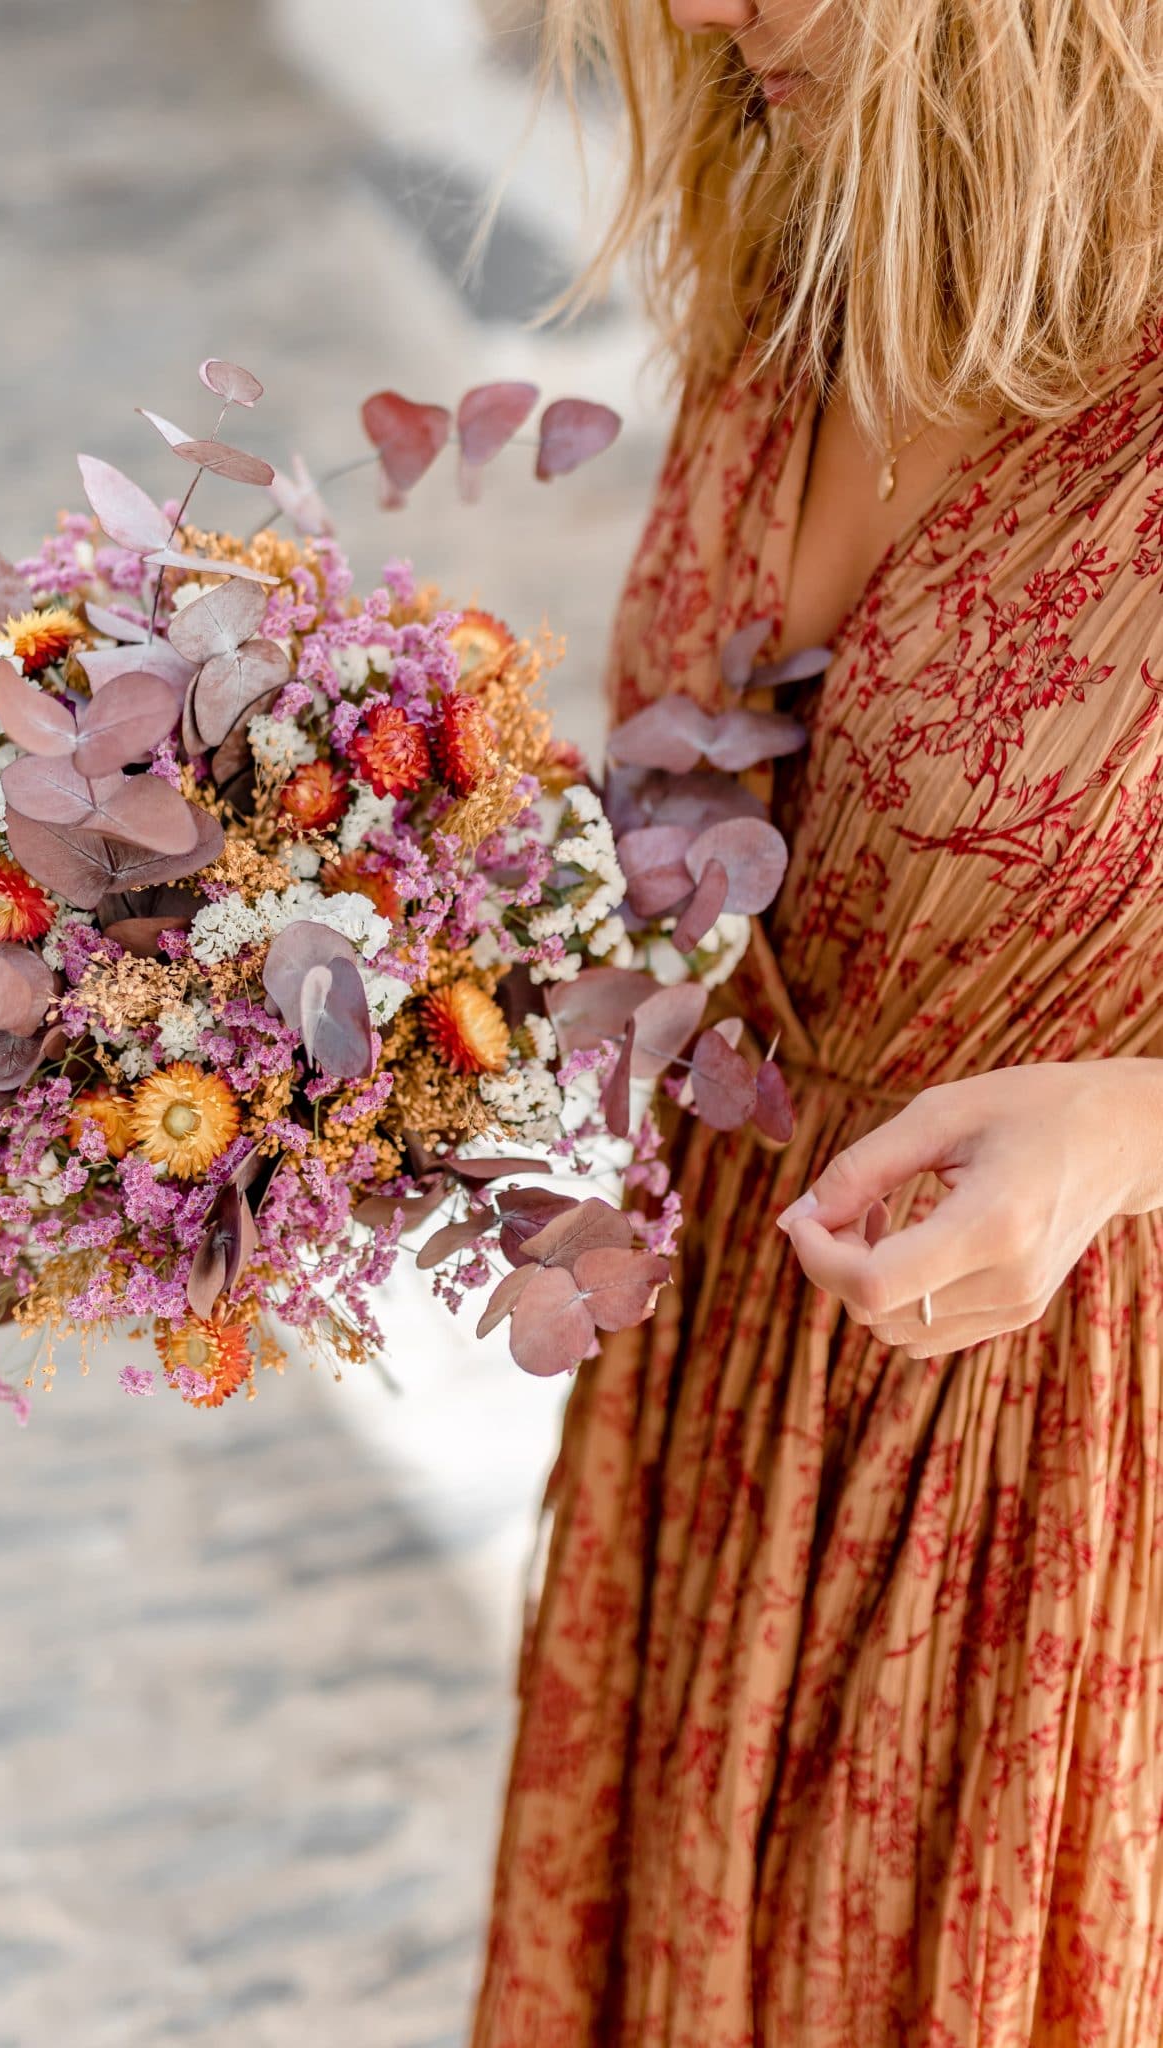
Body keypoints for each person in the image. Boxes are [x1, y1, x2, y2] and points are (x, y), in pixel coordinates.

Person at [471, 2, 1163, 2042]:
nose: (696, 13)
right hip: (717, 1431)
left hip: (1073, 1498)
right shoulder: (805, 257)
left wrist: (1131, 1128)